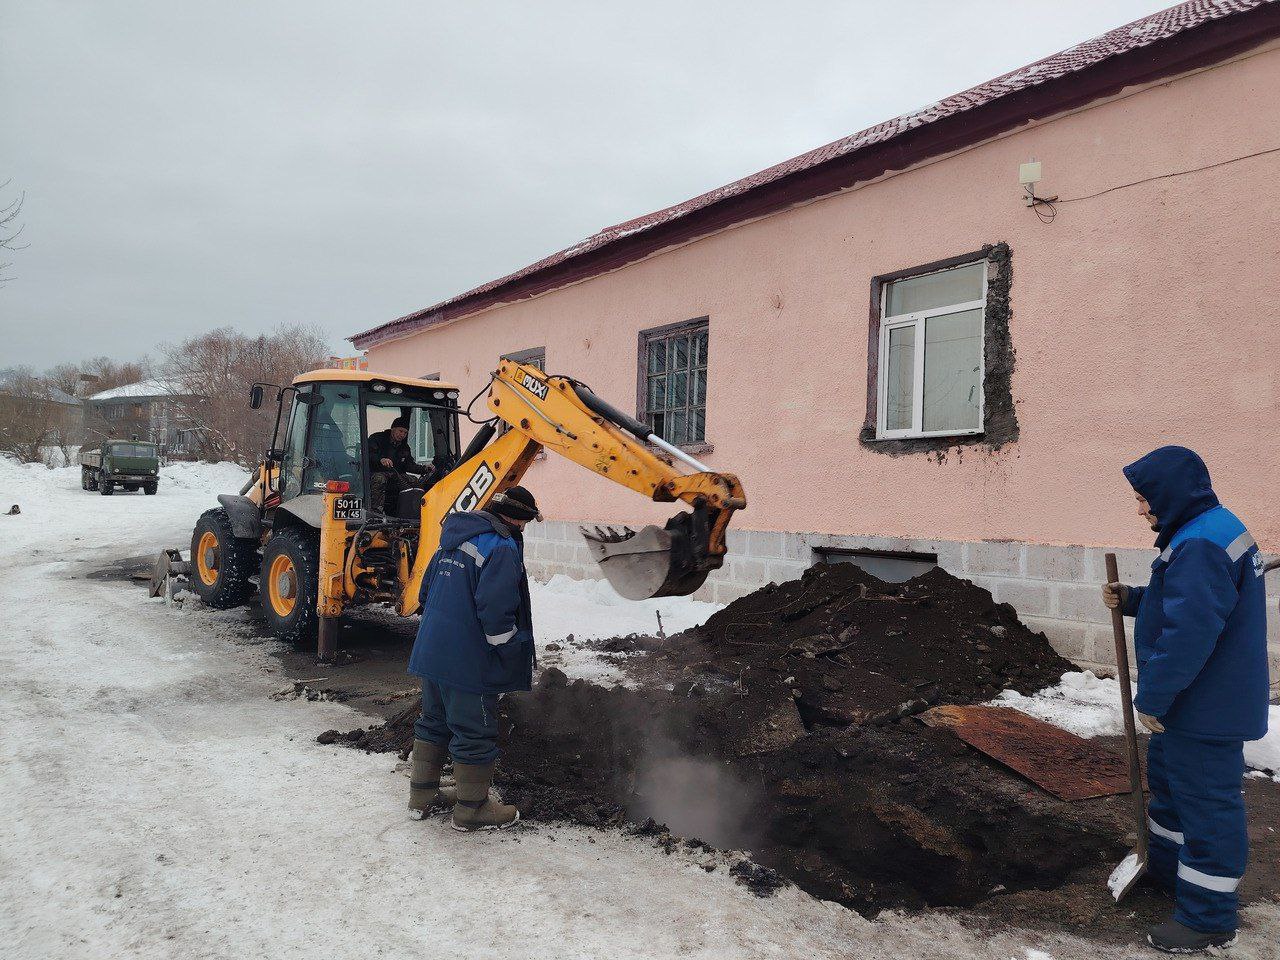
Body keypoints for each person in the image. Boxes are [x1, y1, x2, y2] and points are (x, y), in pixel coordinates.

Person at [1102, 445, 1268, 954]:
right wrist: (1135, 599)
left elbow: (1189, 634)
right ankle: (1173, 874)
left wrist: (1151, 697)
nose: (1141, 509)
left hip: (1202, 706)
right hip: (1192, 703)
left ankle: (1207, 917)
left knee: (1207, 807)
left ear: (1168, 494)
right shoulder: (1206, 531)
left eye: (1144, 498)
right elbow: (1183, 600)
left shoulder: (1200, 544)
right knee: (1173, 792)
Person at [405, 486, 542, 831]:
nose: (524, 529)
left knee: (433, 721)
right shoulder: (501, 546)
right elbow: (496, 612)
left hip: (432, 651)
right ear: (517, 519)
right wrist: (508, 650)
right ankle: (472, 808)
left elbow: (424, 592)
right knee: (474, 729)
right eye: (525, 522)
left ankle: (422, 796)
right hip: (468, 659)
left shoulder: (453, 538)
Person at [367, 415, 435, 515]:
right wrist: (380, 460)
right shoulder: (377, 439)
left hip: (395, 475)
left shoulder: (404, 447)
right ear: (393, 429)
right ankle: (375, 511)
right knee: (379, 479)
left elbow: (409, 465)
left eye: (405, 432)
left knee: (414, 481)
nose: (402, 435)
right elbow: (368, 455)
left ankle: (411, 511)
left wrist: (425, 468)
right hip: (376, 472)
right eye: (400, 431)